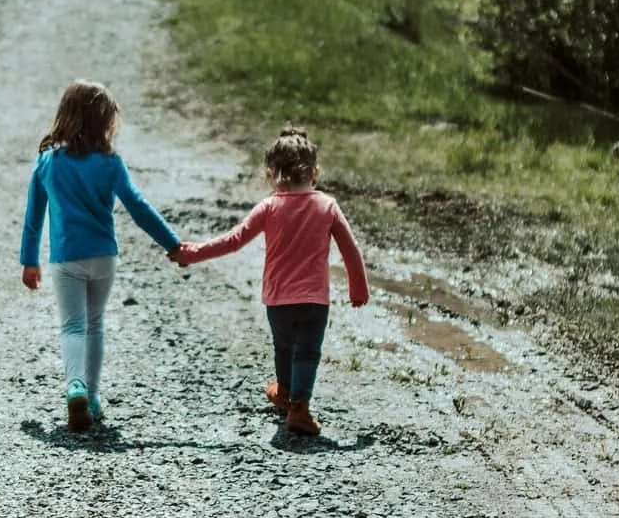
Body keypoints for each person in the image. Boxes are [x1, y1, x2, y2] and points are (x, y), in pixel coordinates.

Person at [175, 127, 369, 439]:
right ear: (315, 173)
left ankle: (286, 393)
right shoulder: (327, 206)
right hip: (314, 300)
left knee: (283, 346)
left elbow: (234, 240)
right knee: (307, 351)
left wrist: (193, 253)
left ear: (270, 174)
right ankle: (299, 407)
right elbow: (350, 249)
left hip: (277, 299)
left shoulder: (269, 207)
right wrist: (358, 287)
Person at [20, 80, 181, 432]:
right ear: (104, 122)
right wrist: (172, 244)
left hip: (66, 258)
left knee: (72, 325)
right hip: (103, 256)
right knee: (95, 324)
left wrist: (29, 260)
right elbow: (138, 207)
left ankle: (74, 386)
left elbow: (33, 218)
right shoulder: (110, 164)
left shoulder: (48, 163)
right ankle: (91, 397)